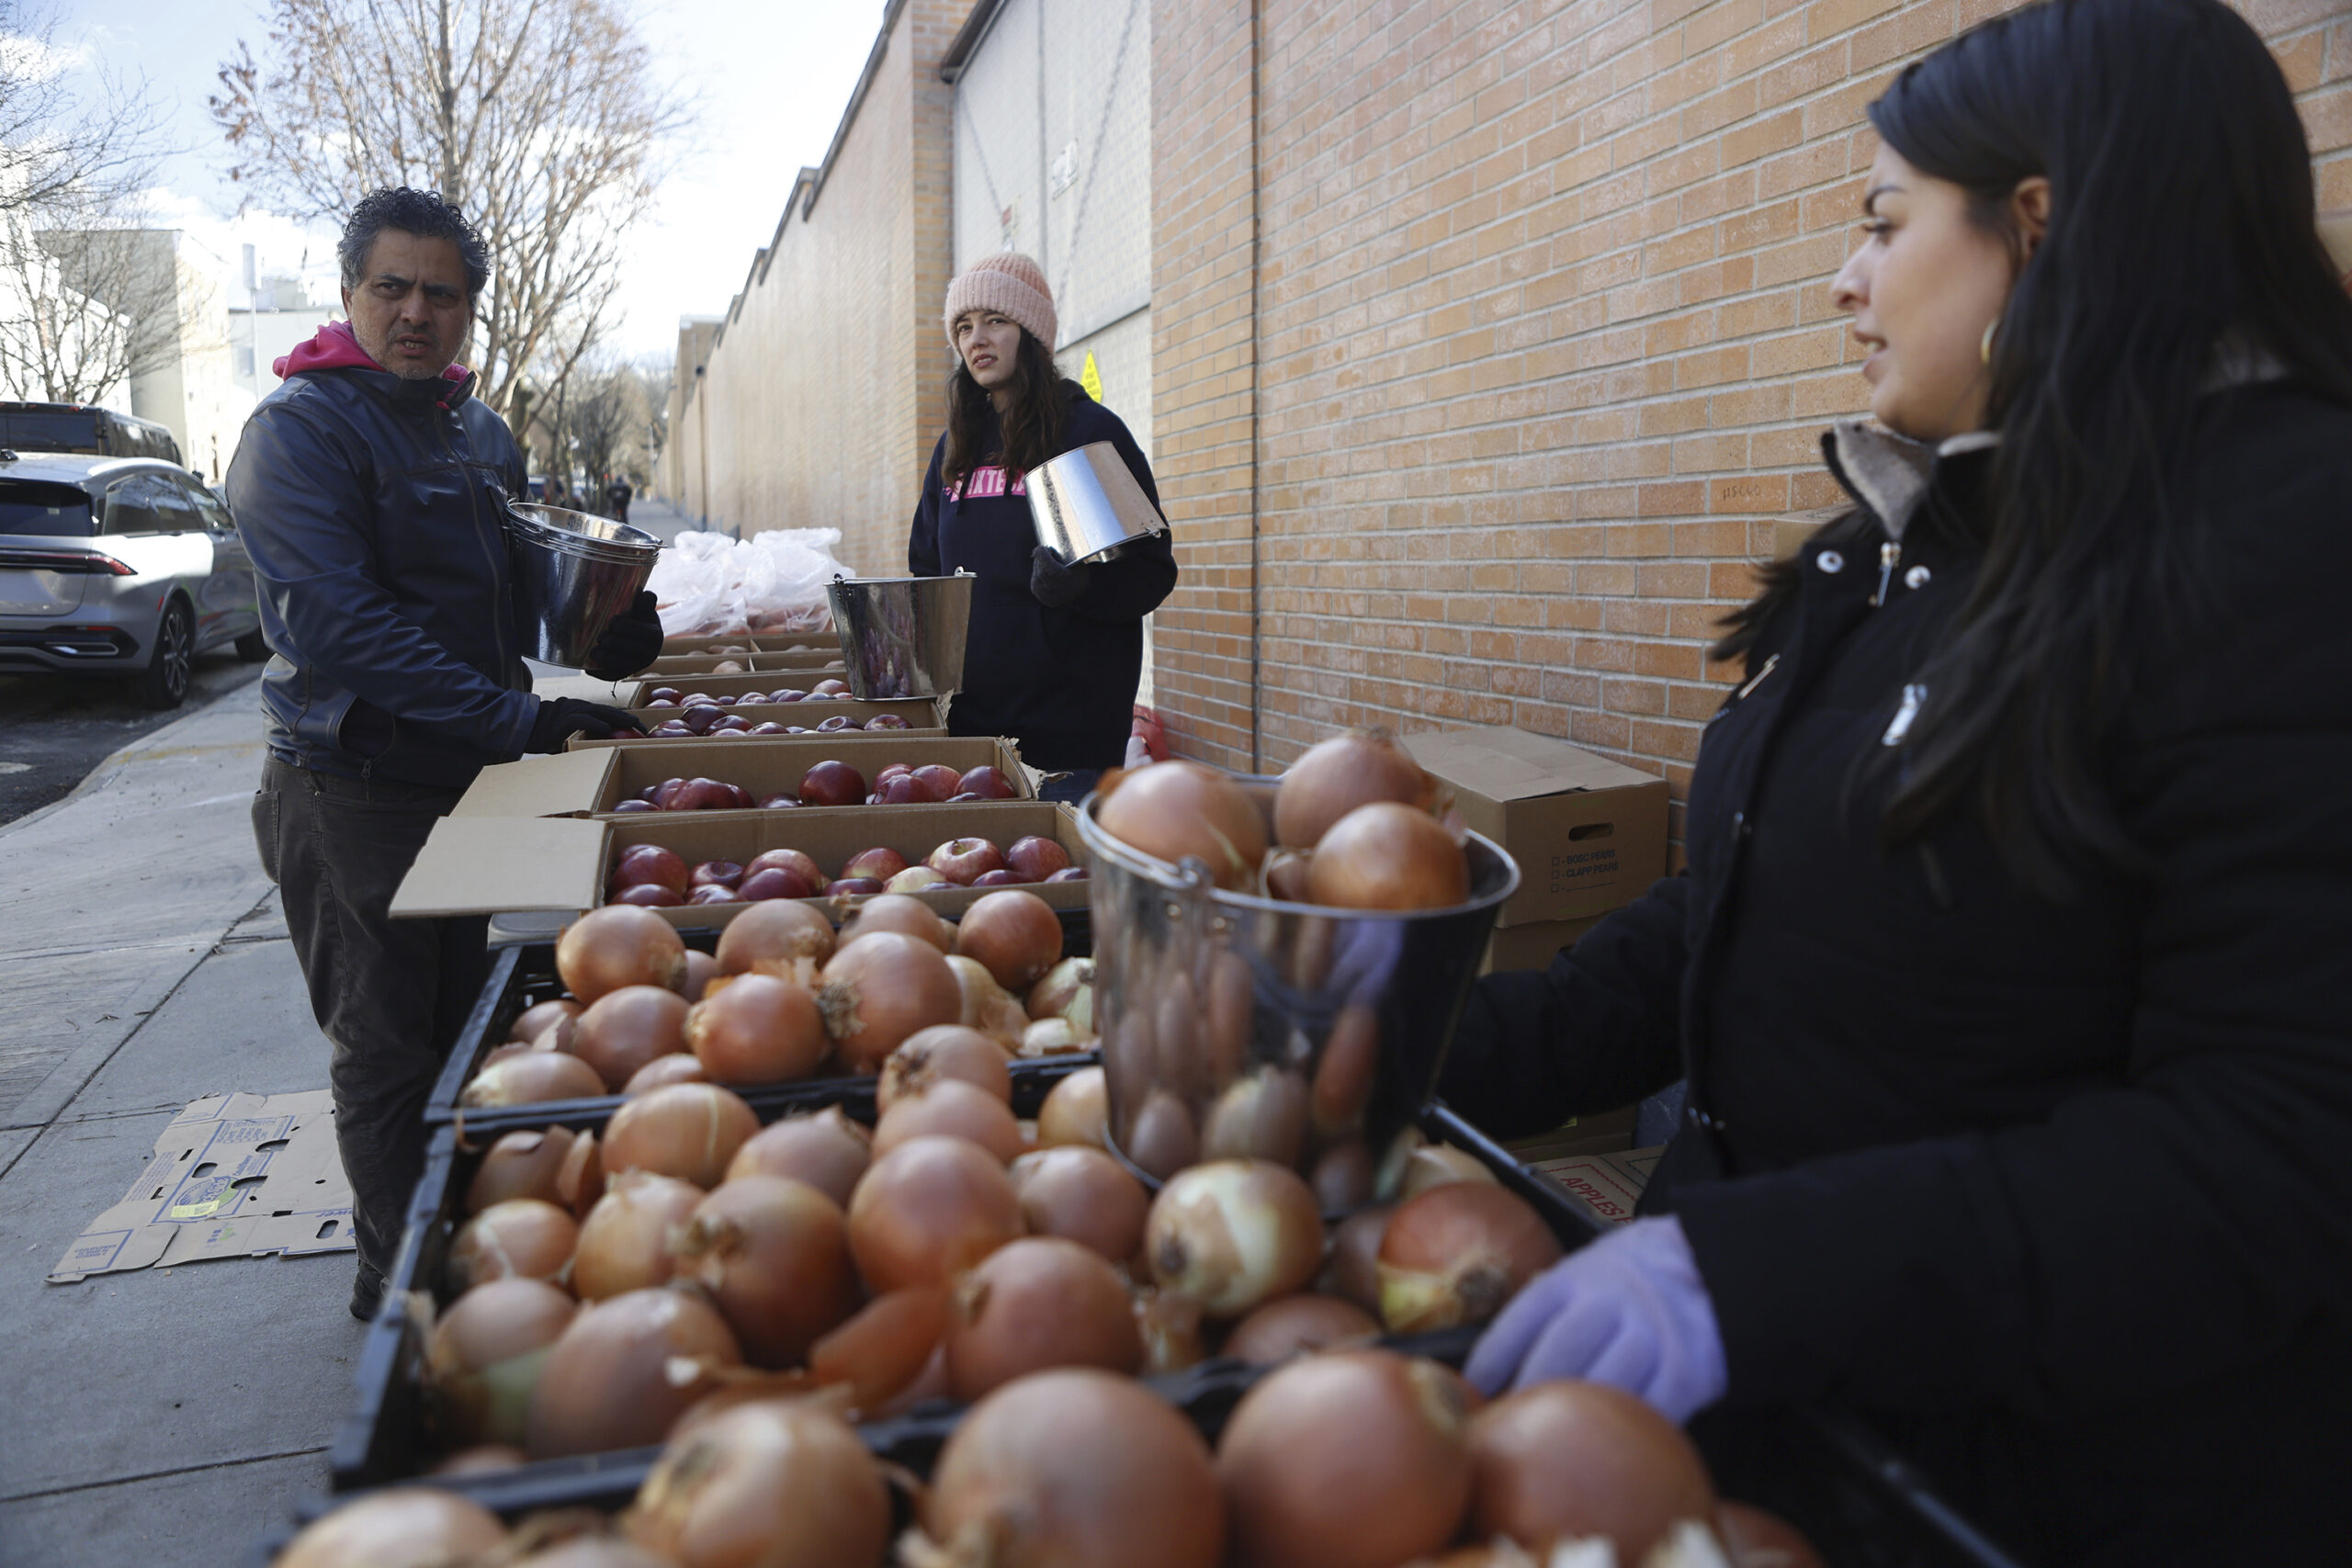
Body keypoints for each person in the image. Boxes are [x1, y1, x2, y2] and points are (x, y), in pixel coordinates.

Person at [1439, 2, 2352, 1561]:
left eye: (1883, 222)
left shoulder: (2288, 543)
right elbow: (1750, 905)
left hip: (2044, 1490)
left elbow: (2274, 1147)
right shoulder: (1899, 536)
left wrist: (1759, 1272)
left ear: (2040, 227)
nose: (1845, 280)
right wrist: (1410, 1045)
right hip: (1786, 1432)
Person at [231, 188, 661, 1319]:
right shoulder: (299, 432)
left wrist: (613, 621)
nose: (417, 312)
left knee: (462, 1024)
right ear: (349, 294)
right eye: (394, 288)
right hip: (350, 784)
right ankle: (398, 1284)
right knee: (384, 1048)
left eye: (443, 293)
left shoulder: (477, 432)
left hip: (462, 783)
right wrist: (518, 719)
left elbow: (523, 590)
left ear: (470, 308)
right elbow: (340, 625)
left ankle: (463, 1239)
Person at [910, 253, 1175, 800]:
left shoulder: (1086, 431)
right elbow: (925, 569)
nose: (976, 339)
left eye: (995, 321)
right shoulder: (955, 446)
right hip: (973, 732)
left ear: (1029, 332)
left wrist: (1082, 588)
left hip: (1069, 735)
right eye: (963, 327)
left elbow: (1152, 573)